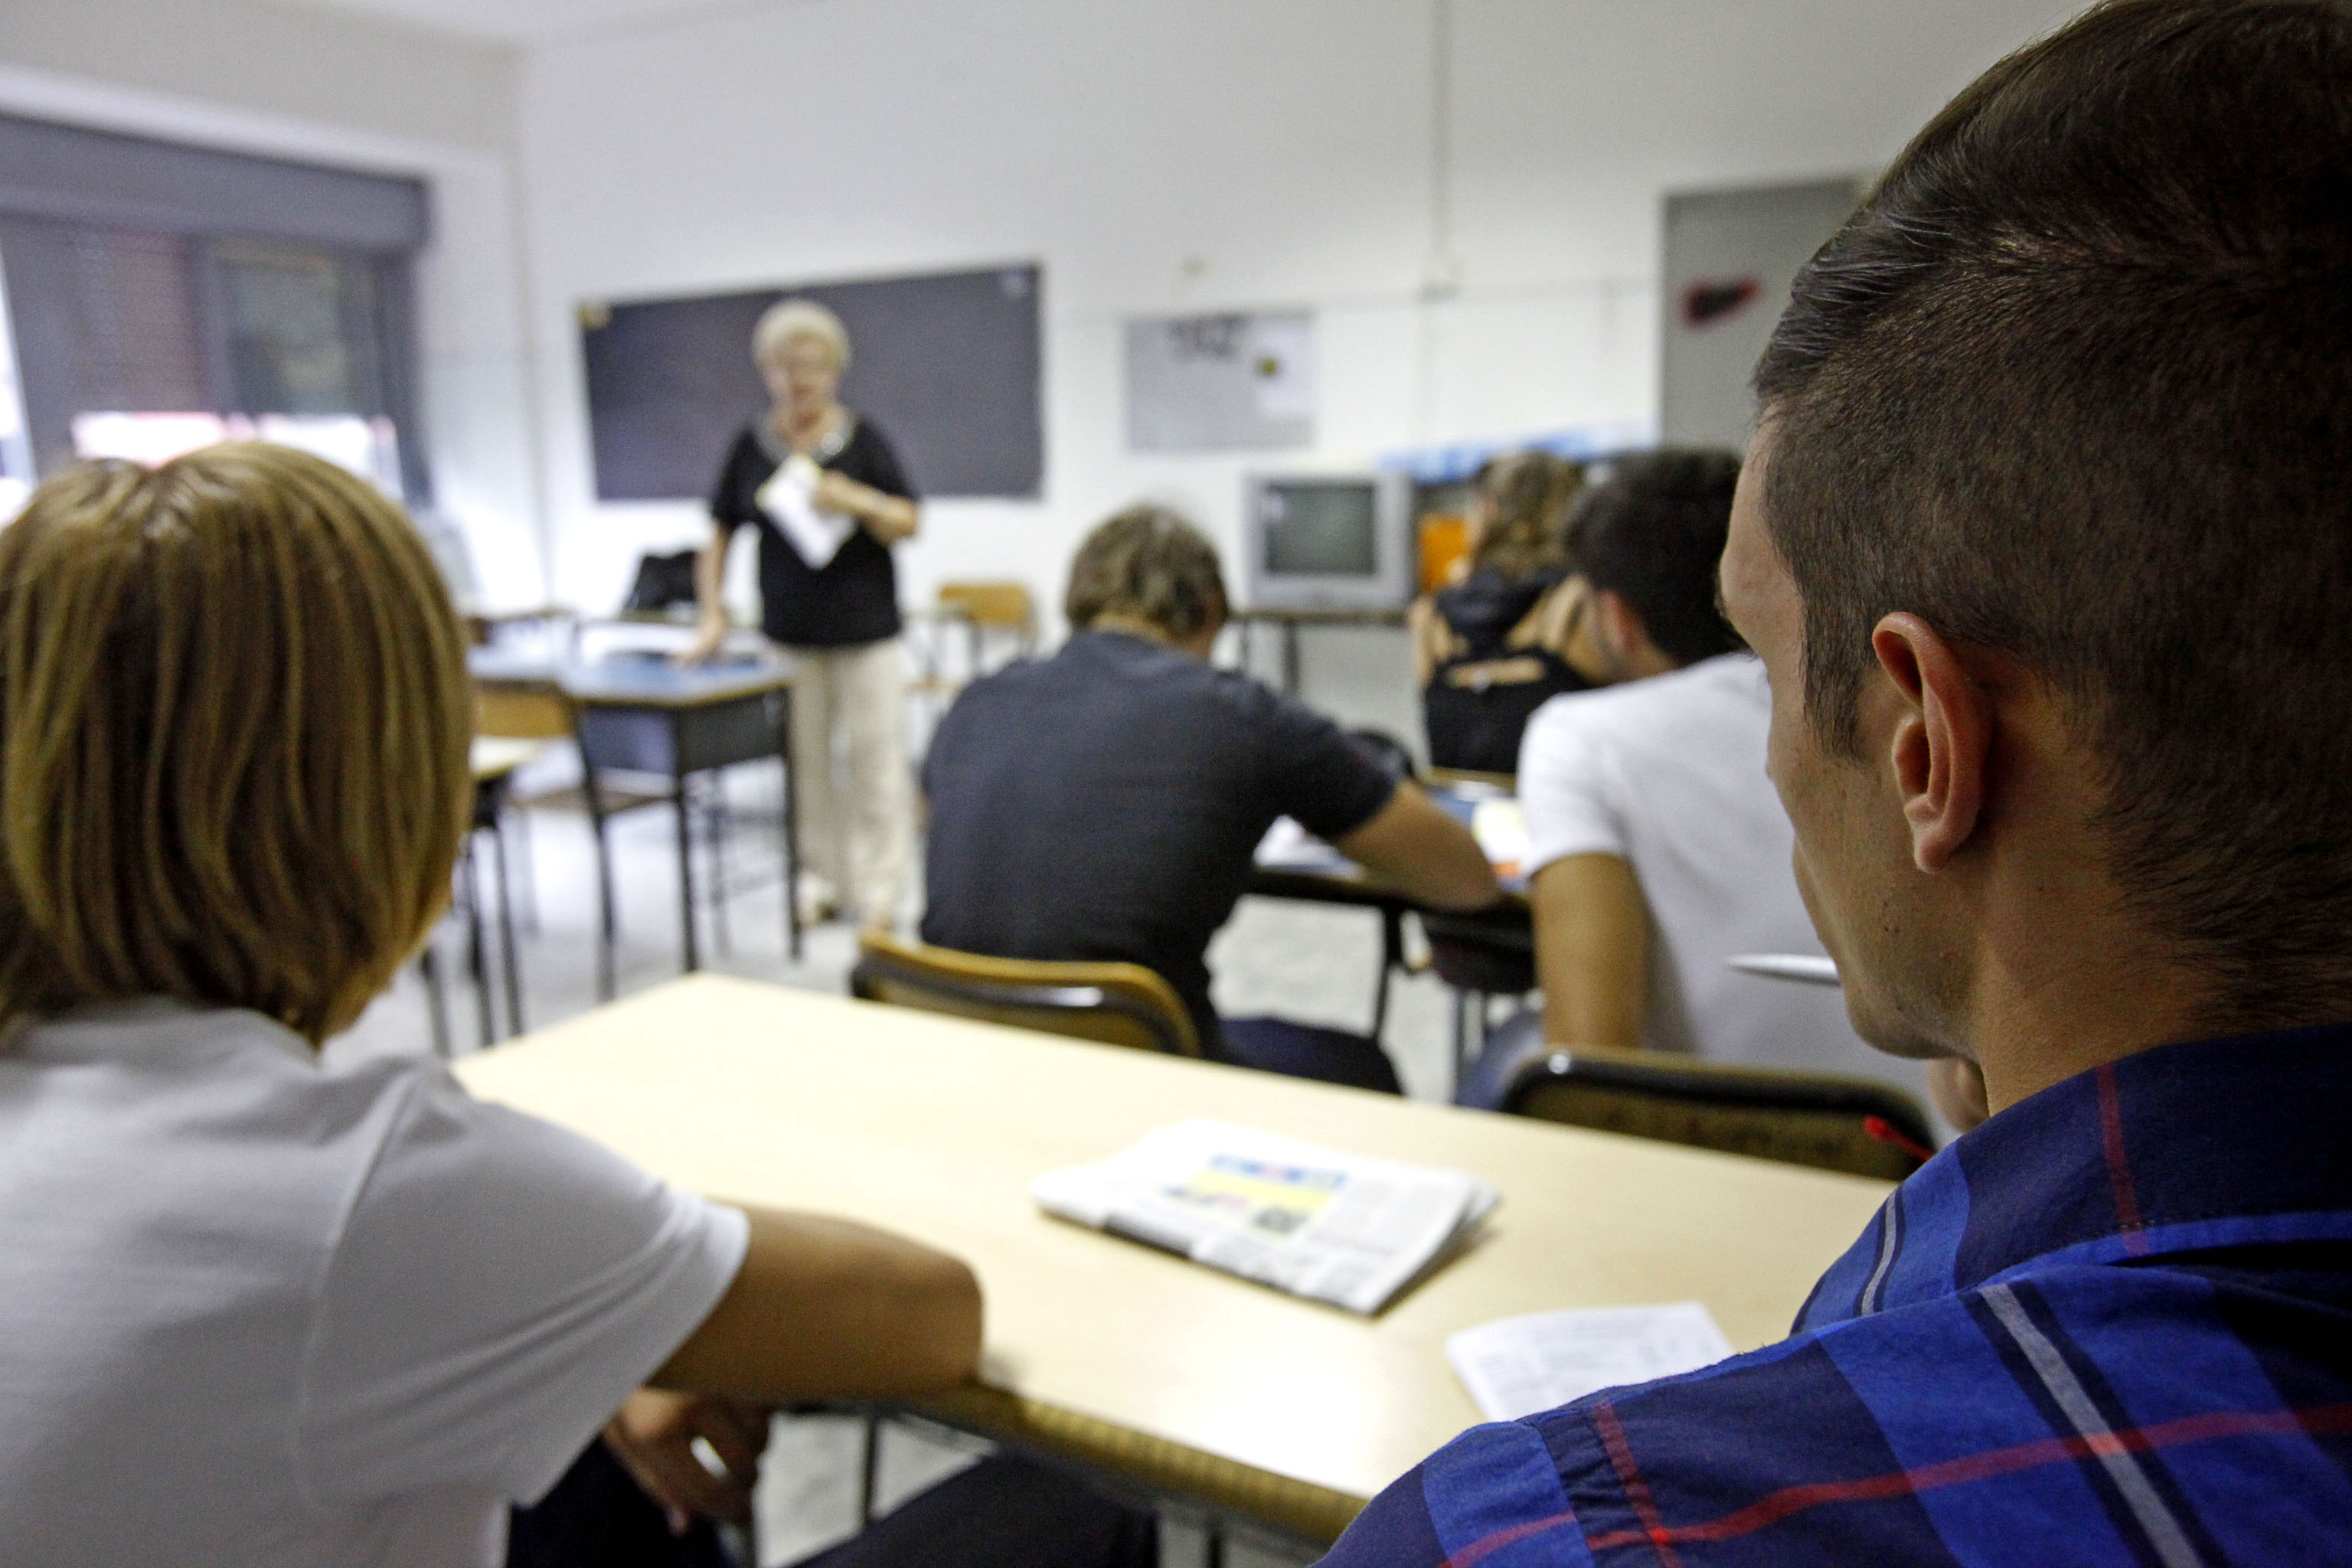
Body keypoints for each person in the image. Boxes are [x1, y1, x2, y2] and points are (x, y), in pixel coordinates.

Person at [1319, 1, 2352, 1561]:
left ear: (1927, 744)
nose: (1769, 750)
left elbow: (1583, 1055)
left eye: (1769, 662)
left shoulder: (1560, 1532)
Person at [0, 446, 991, 1565]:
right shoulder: (365, 1191)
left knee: (588, 1473)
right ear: (393, 796)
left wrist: (588, 1336)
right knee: (1077, 1515)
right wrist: (608, 1289)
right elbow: (931, 1315)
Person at [923, 505, 1499, 1088]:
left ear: (1076, 602)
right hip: (1143, 1073)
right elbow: (1465, 880)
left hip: (967, 1060)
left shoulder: (976, 702)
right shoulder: (1244, 716)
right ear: (1210, 611)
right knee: (1362, 1069)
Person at [1462, 450, 1929, 1109]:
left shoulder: (1578, 740)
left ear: (1615, 619)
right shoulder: (1894, 705)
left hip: (1706, 1144)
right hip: (1924, 1141)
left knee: (1507, 1052)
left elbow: (1589, 1067)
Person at [686, 298, 918, 930]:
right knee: (806, 769)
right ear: (768, 371)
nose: (801, 380)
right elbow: (718, 535)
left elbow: (908, 520)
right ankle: (818, 881)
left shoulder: (863, 440)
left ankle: (881, 892)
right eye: (788, 367)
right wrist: (712, 615)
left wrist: (856, 499)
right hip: (789, 637)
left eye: (814, 367)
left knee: (875, 763)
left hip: (866, 634)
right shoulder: (752, 445)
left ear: (835, 371)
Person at [1408, 449, 1604, 774]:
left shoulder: (1430, 616)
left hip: (1462, 798)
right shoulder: (1579, 601)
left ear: (1487, 512)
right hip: (1562, 795)